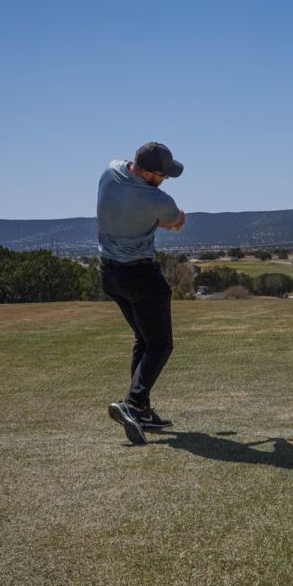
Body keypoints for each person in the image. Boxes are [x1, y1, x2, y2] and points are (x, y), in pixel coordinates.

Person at [97, 142, 187, 445]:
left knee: (144, 339)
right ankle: (132, 404)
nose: (166, 180)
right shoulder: (157, 198)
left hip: (108, 273)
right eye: (163, 175)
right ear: (148, 172)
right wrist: (167, 219)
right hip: (140, 275)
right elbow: (177, 221)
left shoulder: (111, 170)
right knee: (160, 345)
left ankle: (143, 411)